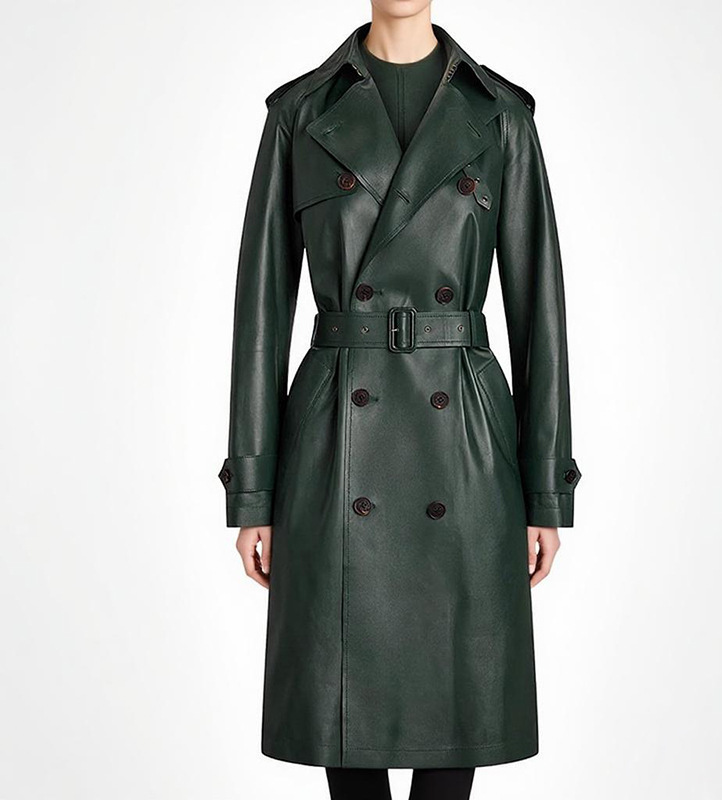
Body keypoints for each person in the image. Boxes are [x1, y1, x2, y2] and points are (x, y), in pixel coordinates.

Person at [218, 2, 582, 798]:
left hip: (465, 447)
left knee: (457, 729)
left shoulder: (502, 116)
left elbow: (540, 313)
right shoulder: (298, 114)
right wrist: (253, 491)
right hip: (335, 447)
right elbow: (260, 314)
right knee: (344, 737)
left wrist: (545, 490)